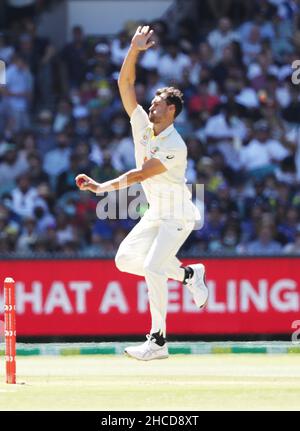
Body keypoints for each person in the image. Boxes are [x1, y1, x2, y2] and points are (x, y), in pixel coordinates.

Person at [75, 26, 208, 361]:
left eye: (158, 104)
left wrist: (102, 187)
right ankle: (189, 275)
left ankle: (158, 342)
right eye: (153, 102)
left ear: (172, 111)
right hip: (156, 213)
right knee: (124, 260)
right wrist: (134, 50)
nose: (151, 105)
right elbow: (126, 84)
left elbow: (140, 173)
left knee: (151, 266)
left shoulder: (175, 146)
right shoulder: (142, 126)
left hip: (177, 214)